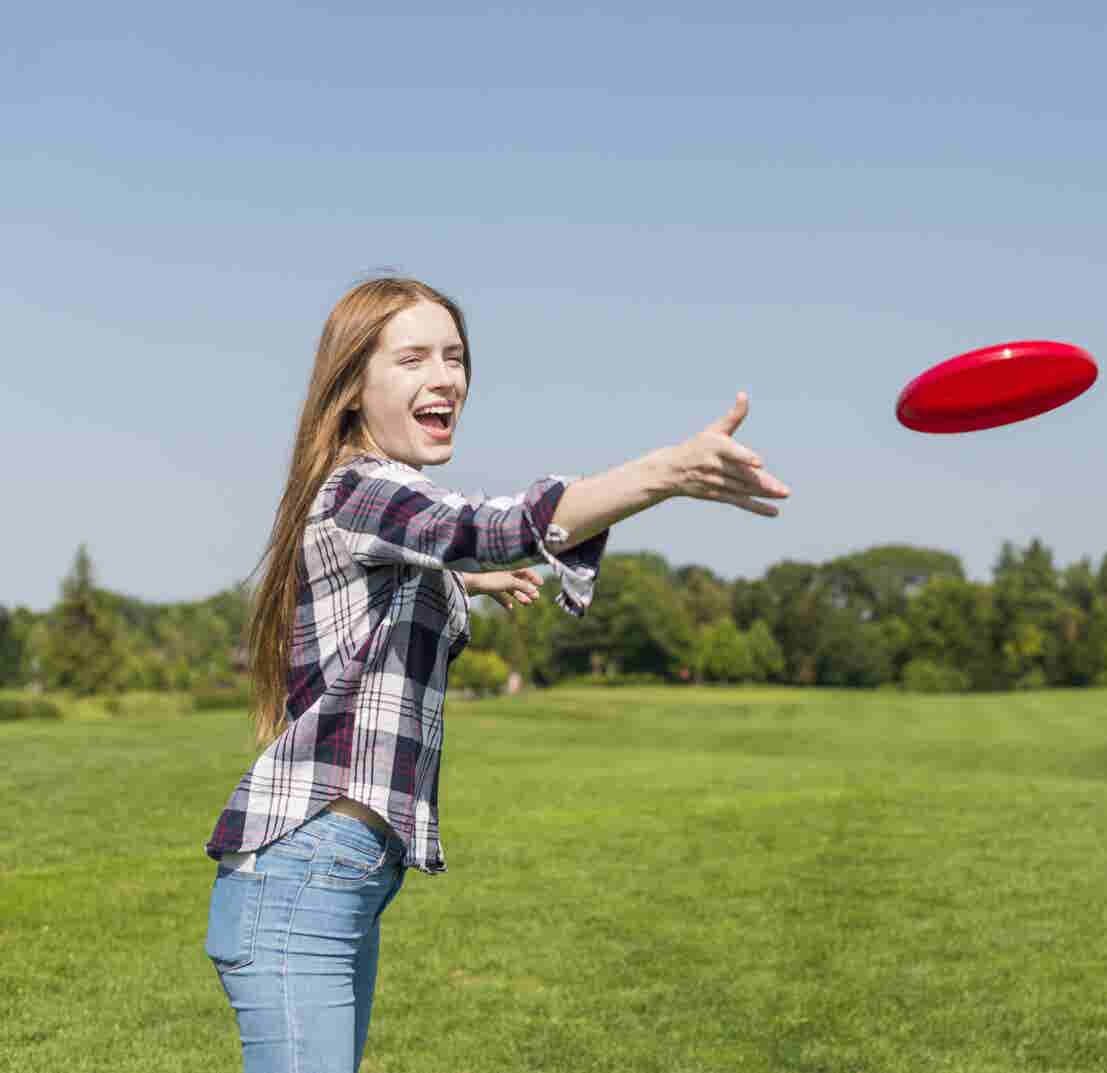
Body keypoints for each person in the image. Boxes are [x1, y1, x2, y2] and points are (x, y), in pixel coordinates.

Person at [202, 276, 790, 1072]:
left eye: (455, 356)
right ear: (351, 388)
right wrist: (666, 473)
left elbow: (435, 555)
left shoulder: (378, 510)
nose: (445, 376)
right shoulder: (359, 488)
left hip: (336, 878)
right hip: (302, 877)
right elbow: (484, 526)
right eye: (412, 357)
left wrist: (464, 580)